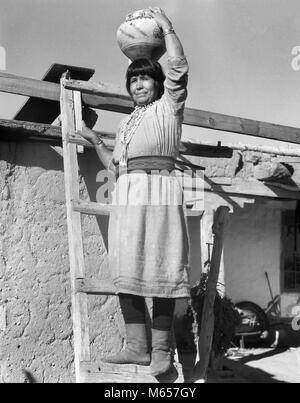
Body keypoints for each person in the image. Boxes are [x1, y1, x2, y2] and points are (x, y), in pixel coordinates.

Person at [79, 7, 190, 377]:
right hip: (127, 193)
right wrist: (97, 141)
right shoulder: (126, 122)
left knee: (160, 271)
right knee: (125, 270)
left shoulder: (168, 108)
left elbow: (178, 68)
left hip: (159, 192)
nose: (139, 85)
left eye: (145, 79)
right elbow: (115, 166)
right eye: (134, 81)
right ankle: (137, 347)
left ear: (157, 84)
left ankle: (161, 352)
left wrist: (167, 28)